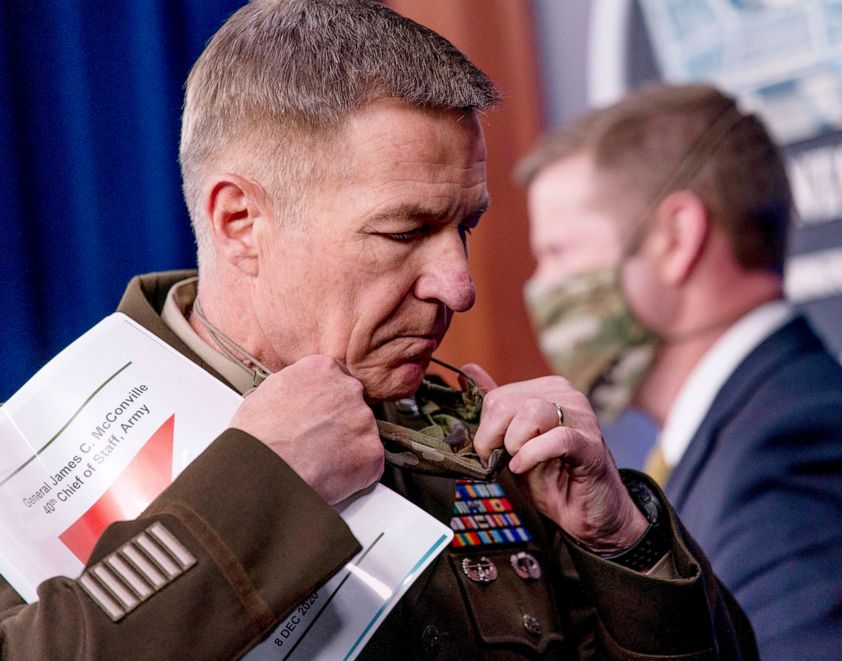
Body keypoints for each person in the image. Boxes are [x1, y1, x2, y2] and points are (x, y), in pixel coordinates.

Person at [0, 3, 758, 659]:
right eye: (404, 231)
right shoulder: (34, 461)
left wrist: (623, 541)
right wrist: (262, 484)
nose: (458, 286)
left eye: (464, 226)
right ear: (240, 222)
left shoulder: (475, 439)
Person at [516, 83, 842, 659]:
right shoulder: (746, 440)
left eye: (560, 253)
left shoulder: (807, 453)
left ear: (676, 239)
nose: (540, 288)